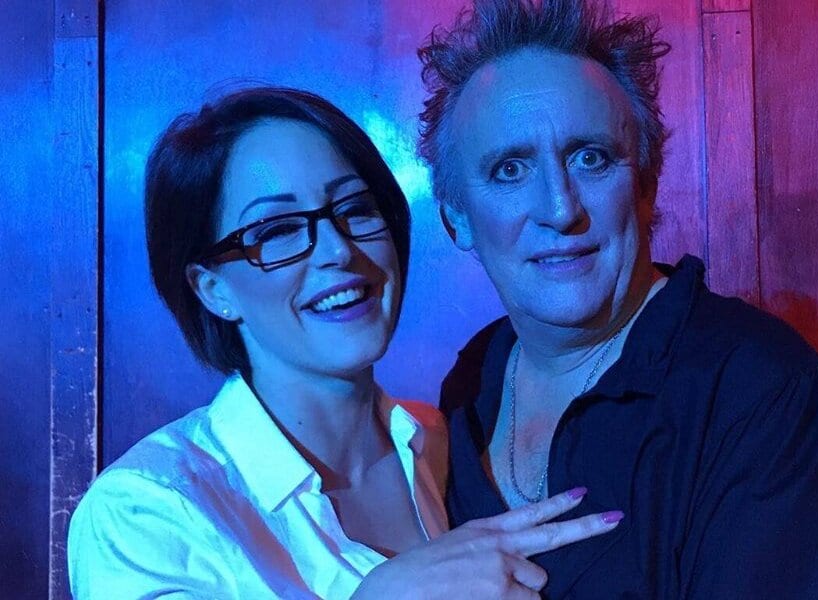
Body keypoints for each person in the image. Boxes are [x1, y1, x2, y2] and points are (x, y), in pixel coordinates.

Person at [67, 86, 623, 600]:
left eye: (355, 209)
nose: (337, 251)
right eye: (277, 230)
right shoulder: (150, 508)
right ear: (213, 288)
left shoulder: (438, 443)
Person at [417, 0, 818, 597]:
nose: (560, 209)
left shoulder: (763, 393)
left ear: (645, 187)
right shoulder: (472, 380)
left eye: (590, 159)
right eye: (510, 170)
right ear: (457, 218)